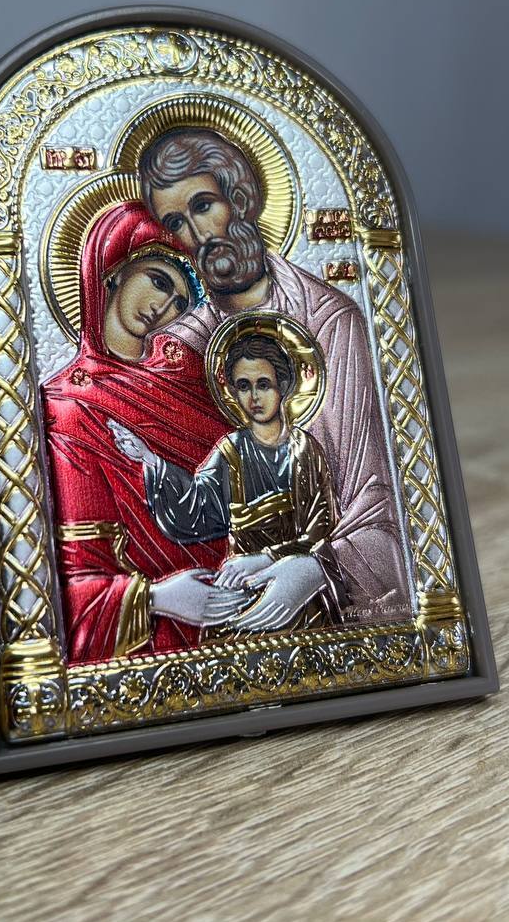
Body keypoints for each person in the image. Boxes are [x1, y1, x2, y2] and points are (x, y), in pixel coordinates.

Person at [138, 127, 411, 623]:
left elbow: (378, 502)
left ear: (240, 198)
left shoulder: (331, 323)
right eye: (176, 222)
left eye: (204, 205)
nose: (199, 235)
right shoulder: (178, 348)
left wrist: (317, 568)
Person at [41, 200, 238, 664]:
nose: (163, 307)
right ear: (115, 270)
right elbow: (71, 586)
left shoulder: (190, 383)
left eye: (181, 303)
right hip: (161, 644)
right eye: (158, 281)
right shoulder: (67, 408)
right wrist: (156, 599)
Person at [110, 330, 347, 633]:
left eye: (264, 384)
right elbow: (196, 509)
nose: (254, 397)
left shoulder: (305, 451)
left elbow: (323, 530)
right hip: (239, 589)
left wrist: (265, 559)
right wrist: (150, 460)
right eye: (244, 386)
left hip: (298, 593)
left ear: (284, 385)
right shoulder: (231, 451)